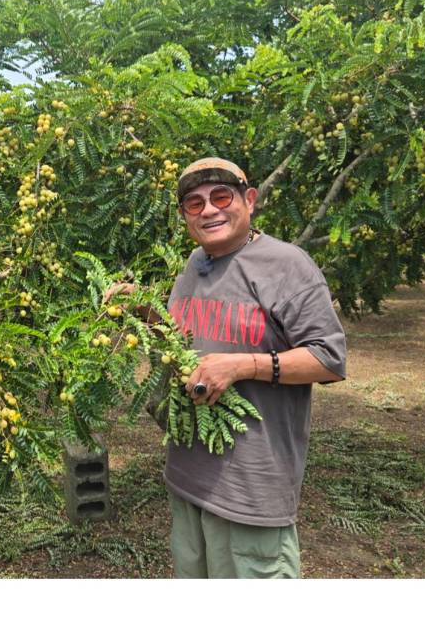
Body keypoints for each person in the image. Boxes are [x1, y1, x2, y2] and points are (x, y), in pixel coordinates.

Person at [108, 157, 347, 579]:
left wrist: (243, 365)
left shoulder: (287, 264)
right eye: (194, 204)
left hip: (250, 491)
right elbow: (182, 345)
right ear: (184, 215)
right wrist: (145, 310)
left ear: (249, 200)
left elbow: (328, 359)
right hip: (188, 478)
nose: (209, 210)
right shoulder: (194, 264)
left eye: (221, 197)